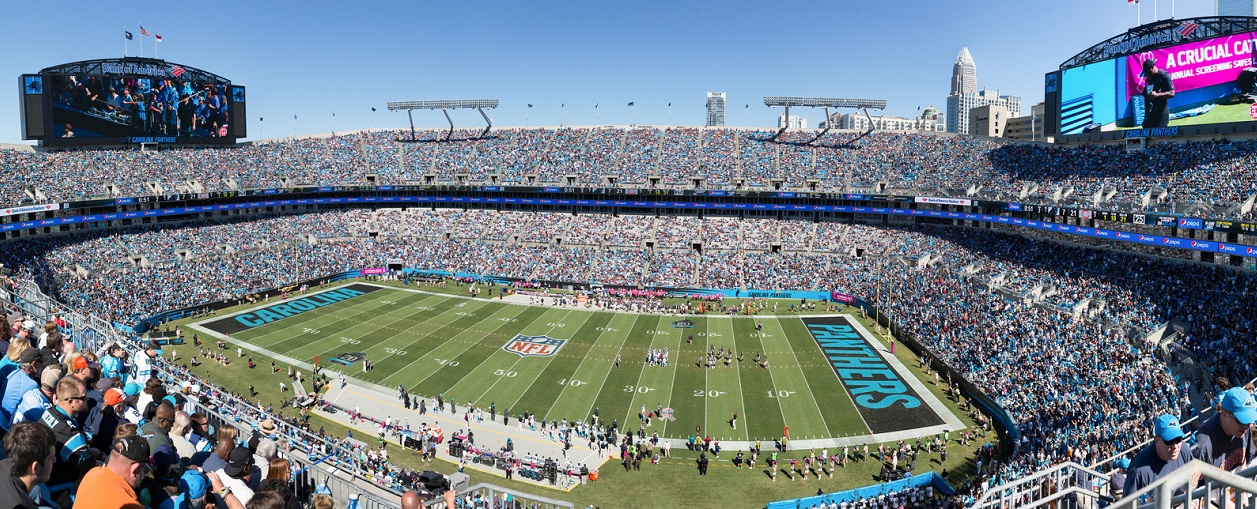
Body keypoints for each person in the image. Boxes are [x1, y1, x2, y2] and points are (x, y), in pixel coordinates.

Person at [74, 435, 151, 509]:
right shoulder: (128, 504)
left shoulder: (92, 473)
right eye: (145, 471)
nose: (144, 476)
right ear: (135, 469)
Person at [1124, 414, 1193, 496]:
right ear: (1156, 440)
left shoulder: (1183, 449)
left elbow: (1193, 475)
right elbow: (1128, 503)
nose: (1175, 446)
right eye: (1169, 441)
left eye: (1178, 439)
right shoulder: (1139, 470)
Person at [1194, 386, 1256, 471]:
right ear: (1224, 414)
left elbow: (1248, 459)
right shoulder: (1204, 445)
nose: (1246, 426)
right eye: (1241, 420)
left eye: (1248, 420)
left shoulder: (1244, 427)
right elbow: (1198, 483)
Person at [0, 422, 58, 509]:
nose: (55, 460)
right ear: (35, 467)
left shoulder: (4, 464)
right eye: (51, 458)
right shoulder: (23, 506)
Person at [1141, 57, 1175, 129]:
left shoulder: (1164, 76)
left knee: (1159, 136)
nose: (1147, 75)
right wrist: (1145, 117)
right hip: (1152, 113)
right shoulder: (1148, 80)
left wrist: (1157, 95)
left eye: (1147, 72)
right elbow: (1147, 99)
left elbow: (1172, 93)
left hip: (1162, 114)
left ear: (1152, 67)